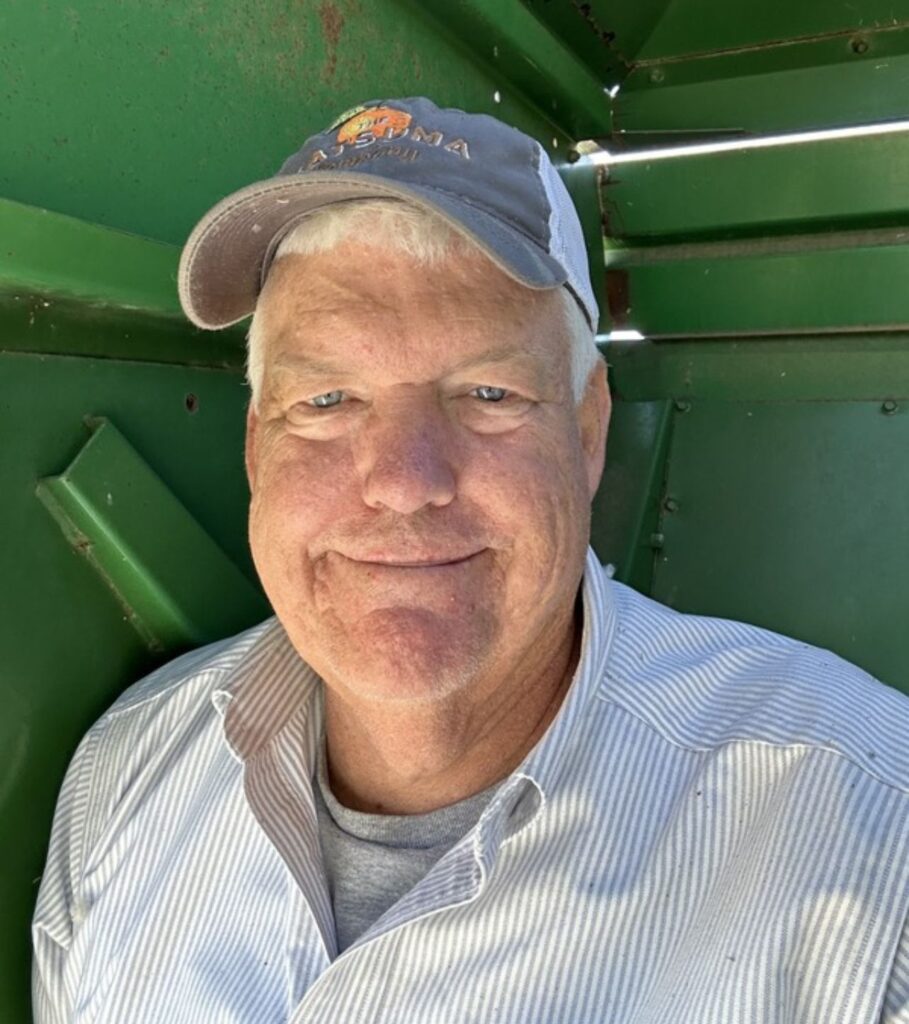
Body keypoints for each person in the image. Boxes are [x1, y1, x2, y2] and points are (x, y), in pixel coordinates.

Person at [31, 96, 909, 1023]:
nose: (403, 482)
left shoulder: (870, 831)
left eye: (487, 393)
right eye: (326, 400)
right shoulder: (125, 773)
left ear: (587, 431)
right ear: (256, 450)